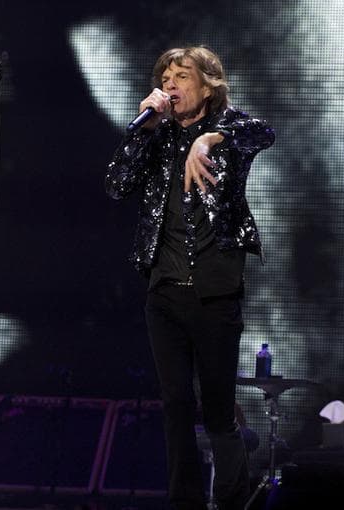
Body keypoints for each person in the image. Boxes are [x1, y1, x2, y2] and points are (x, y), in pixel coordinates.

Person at [105, 46, 275, 510]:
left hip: (215, 292)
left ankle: (233, 499)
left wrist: (209, 140)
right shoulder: (156, 136)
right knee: (176, 404)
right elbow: (116, 185)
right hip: (164, 292)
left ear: (207, 85)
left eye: (181, 76)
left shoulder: (231, 129)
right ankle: (185, 502)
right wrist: (143, 132)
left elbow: (263, 131)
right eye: (165, 78)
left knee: (218, 409)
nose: (170, 85)